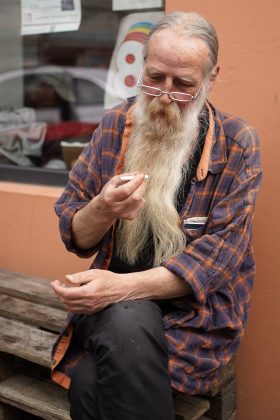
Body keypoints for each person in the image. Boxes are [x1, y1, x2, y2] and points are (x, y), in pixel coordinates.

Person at [51, 11, 262, 420]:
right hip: (111, 310)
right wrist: (102, 208)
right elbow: (73, 231)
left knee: (89, 383)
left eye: (184, 84)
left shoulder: (239, 144)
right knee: (126, 317)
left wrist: (118, 289)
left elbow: (217, 261)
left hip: (192, 322)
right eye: (155, 77)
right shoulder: (116, 124)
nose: (165, 95)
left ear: (211, 78)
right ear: (141, 65)